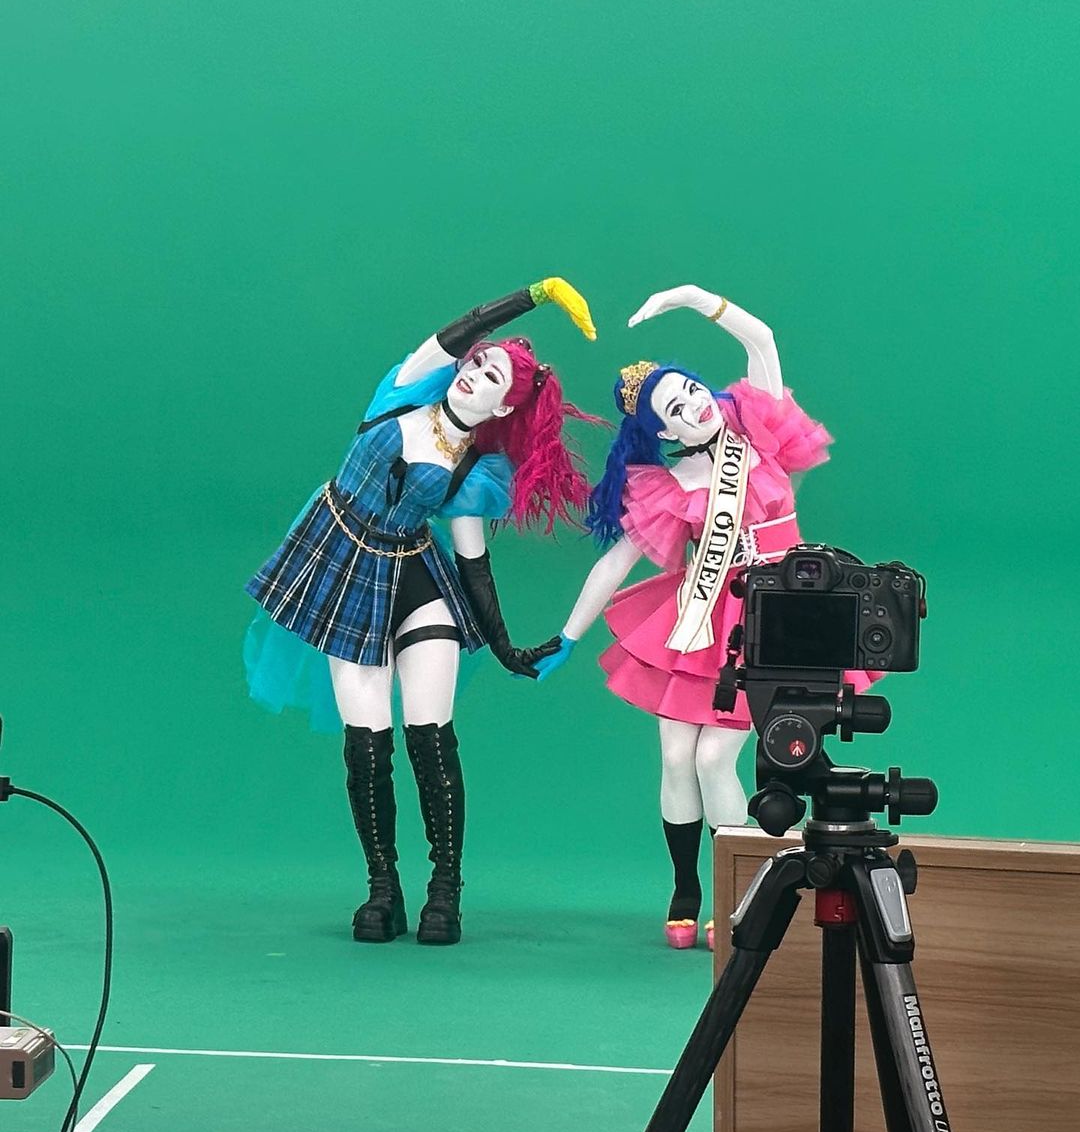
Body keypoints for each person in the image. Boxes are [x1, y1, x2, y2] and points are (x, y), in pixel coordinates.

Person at [245, 277, 599, 946]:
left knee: (430, 733)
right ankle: (382, 887)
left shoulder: (474, 471)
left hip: (416, 576)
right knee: (365, 742)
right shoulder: (404, 389)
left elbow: (474, 563)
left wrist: (505, 646)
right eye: (477, 362)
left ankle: (446, 889)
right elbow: (459, 330)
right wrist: (534, 295)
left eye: (492, 376)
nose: (474, 373)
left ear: (505, 404)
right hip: (344, 571)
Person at [536, 284, 876, 949]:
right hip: (701, 618)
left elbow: (762, 340)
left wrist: (695, 299)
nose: (694, 405)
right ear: (663, 433)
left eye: (690, 390)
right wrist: (566, 636)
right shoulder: (672, 484)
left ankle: (737, 886)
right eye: (675, 409)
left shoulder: (756, 430)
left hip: (779, 616)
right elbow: (613, 565)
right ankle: (685, 887)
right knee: (675, 756)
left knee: (716, 757)